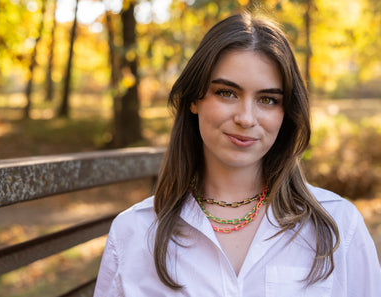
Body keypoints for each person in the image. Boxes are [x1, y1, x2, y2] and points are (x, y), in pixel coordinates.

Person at [93, 12, 381, 296]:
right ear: (194, 99)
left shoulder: (339, 227)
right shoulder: (133, 232)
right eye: (227, 93)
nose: (246, 118)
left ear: (286, 114)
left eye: (267, 99)